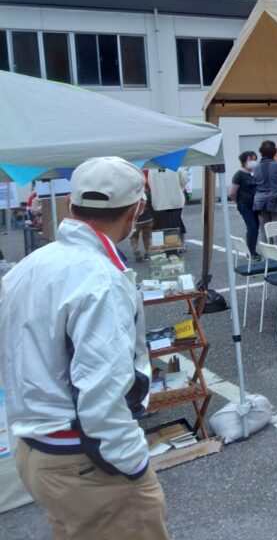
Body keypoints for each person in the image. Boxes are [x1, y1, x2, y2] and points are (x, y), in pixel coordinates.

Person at [0, 157, 169, 540]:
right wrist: (135, 466)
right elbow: (102, 393)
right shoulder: (100, 279)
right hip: (85, 461)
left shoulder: (31, 264)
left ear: (70, 204)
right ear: (136, 210)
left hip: (35, 450)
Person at [253, 139, 277, 242]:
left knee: (264, 228)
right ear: (274, 152)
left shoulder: (256, 167)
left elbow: (255, 182)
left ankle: (267, 251)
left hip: (260, 200)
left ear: (261, 152)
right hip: (276, 199)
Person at [230, 151, 260, 257]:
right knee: (252, 227)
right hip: (245, 205)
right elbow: (232, 193)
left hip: (256, 205)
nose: (253, 161)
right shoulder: (239, 175)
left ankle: (252, 250)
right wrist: (239, 202)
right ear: (244, 161)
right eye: (251, 159)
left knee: (256, 227)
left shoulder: (255, 173)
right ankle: (251, 252)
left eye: (255, 159)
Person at [148, 167, 187, 237]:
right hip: (175, 201)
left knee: (160, 227)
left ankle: (165, 243)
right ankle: (175, 242)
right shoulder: (175, 165)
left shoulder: (152, 168)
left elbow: (150, 183)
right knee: (175, 226)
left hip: (159, 202)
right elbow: (184, 181)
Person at [129, 181, 154, 262]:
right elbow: (152, 205)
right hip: (148, 219)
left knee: (134, 236)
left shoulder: (131, 196)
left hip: (136, 221)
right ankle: (147, 252)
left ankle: (136, 249)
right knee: (147, 237)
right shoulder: (147, 194)